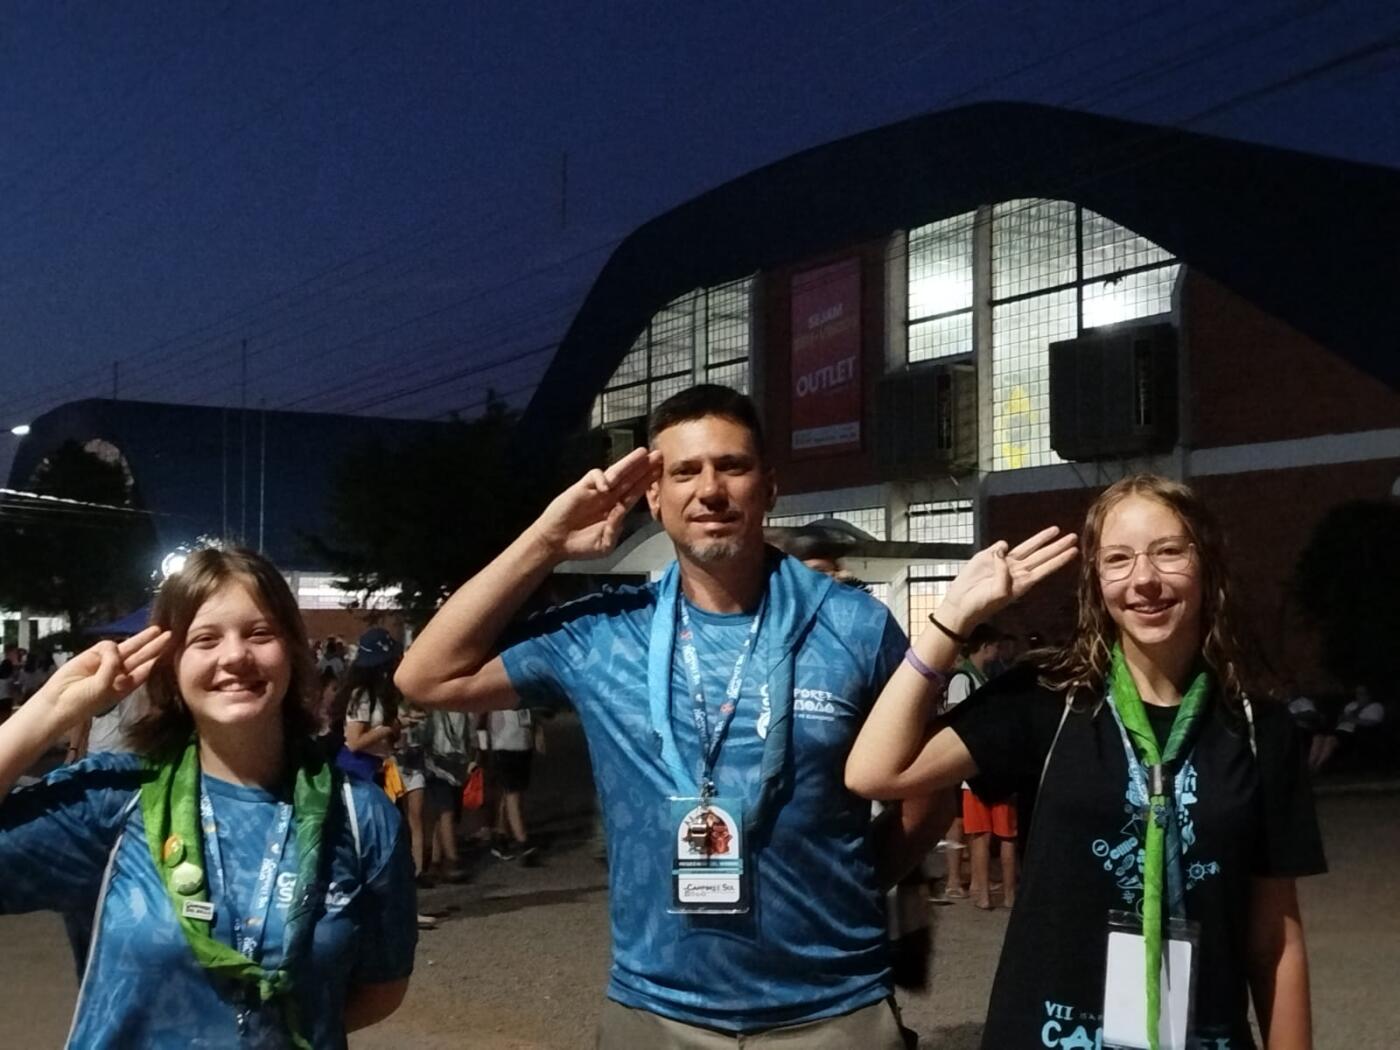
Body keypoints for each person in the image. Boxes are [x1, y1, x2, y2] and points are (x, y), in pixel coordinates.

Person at [398, 384, 940, 1047]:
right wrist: (547, 541)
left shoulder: (855, 626)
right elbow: (426, 677)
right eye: (685, 471)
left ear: (769, 486)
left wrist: (848, 884)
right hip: (657, 1013)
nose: (709, 490)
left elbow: (927, 790)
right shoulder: (603, 634)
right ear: (653, 497)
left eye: (732, 466)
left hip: (835, 1009)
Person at [846, 473, 1326, 1049]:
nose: (1144, 579)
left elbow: (1274, 943)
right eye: (1118, 559)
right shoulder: (1047, 700)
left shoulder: (1257, 729)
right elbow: (875, 771)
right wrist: (952, 619)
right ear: (1096, 581)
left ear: (1207, 563)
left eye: (1168, 552)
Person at [0, 547, 416, 1047]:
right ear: (172, 666)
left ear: (292, 651)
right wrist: (52, 707)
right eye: (205, 639)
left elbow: (381, 988)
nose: (235, 656)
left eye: (259, 633)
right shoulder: (114, 801)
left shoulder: (357, 815)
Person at [945, 623, 1018, 910]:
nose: (998, 651)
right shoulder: (963, 679)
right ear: (985, 646)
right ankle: (987, 890)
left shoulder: (982, 678)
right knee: (988, 834)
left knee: (988, 835)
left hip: (987, 767)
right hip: (978, 766)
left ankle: (987, 891)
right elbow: (956, 718)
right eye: (996, 646)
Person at [484, 706, 540, 863]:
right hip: (504, 743)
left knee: (512, 792)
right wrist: (480, 743)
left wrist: (537, 730)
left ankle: (501, 836)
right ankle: (523, 841)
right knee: (512, 793)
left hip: (522, 741)